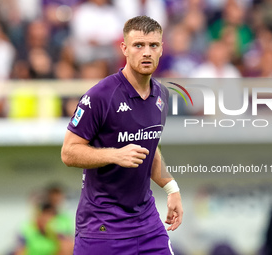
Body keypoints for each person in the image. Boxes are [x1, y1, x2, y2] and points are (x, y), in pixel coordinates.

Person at [61, 15, 183, 254]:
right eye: (139, 45)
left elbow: (149, 146)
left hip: (147, 224)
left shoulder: (161, 95)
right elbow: (68, 152)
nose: (146, 52)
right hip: (102, 228)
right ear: (124, 49)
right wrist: (115, 155)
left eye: (153, 45)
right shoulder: (100, 96)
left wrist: (171, 188)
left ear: (161, 49)